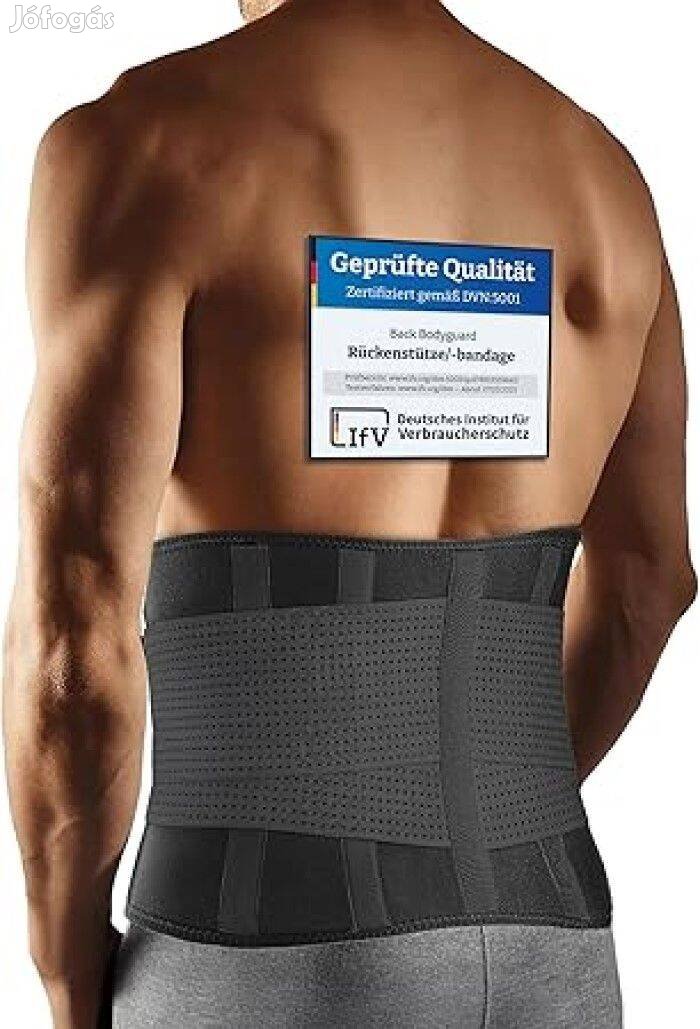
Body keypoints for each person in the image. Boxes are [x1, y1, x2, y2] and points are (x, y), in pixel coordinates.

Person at [3, 1, 695, 1026]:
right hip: (553, 941)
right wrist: (463, 826)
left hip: (266, 955)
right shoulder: (599, 175)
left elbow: (74, 637)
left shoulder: (154, 142)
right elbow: (647, 586)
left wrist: (67, 974)